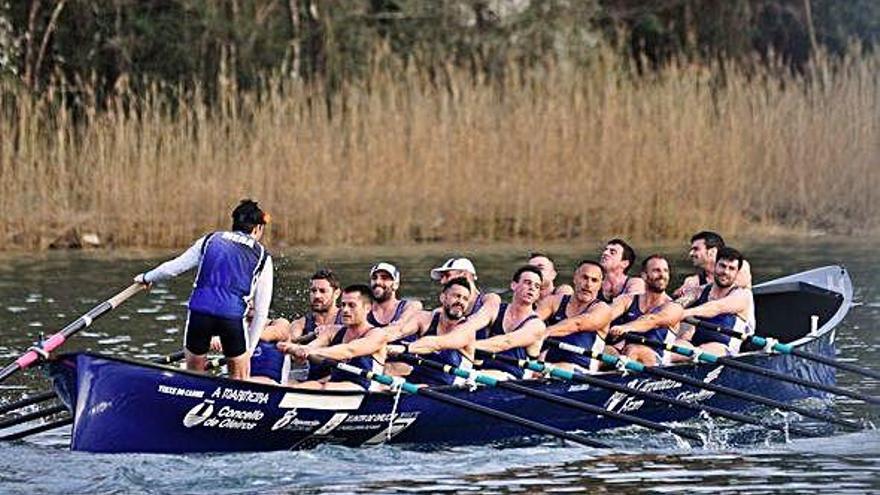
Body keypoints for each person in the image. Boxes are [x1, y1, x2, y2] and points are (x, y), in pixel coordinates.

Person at [134, 199, 272, 380]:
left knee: (193, 377)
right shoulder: (262, 256)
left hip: (199, 314)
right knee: (240, 379)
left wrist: (146, 277)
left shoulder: (210, 240)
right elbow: (261, 312)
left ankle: (191, 398)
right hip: (231, 317)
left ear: (234, 224)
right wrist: (249, 351)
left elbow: (173, 268)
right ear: (258, 228)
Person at [278, 285, 387, 391]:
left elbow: (349, 350)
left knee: (324, 387)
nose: (345, 310)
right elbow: (313, 346)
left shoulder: (377, 335)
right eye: (343, 305)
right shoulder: (333, 331)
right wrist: (294, 348)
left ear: (367, 308)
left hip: (364, 389)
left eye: (351, 305)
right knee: (296, 386)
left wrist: (311, 351)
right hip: (335, 385)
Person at [452, 266, 546, 380]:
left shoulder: (536, 326)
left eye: (537, 286)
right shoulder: (495, 309)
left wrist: (458, 344)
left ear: (538, 294)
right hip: (482, 372)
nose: (532, 288)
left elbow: (506, 342)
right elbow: (472, 323)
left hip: (513, 379)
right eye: (527, 283)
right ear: (514, 285)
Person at [249, 268, 342, 384]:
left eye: (323, 291)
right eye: (313, 291)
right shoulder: (301, 323)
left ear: (337, 293)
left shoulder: (346, 319)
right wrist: (310, 336)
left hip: (339, 377)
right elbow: (290, 341)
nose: (317, 295)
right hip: (313, 380)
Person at [385, 277, 476, 385]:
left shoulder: (467, 329)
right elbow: (398, 331)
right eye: (456, 296)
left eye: (465, 299)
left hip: (449, 389)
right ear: (443, 298)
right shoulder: (424, 318)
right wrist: (375, 341)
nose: (460, 302)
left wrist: (405, 348)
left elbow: (437, 344)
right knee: (385, 374)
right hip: (417, 383)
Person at [673, 246, 755, 359]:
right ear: (715, 266)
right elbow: (676, 305)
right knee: (669, 350)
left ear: (736, 273)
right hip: (694, 346)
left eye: (731, 269)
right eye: (722, 266)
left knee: (697, 352)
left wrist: (684, 313)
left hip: (724, 350)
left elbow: (716, 307)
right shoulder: (699, 291)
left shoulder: (742, 295)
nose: (725, 272)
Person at [607, 255, 683, 366]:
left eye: (665, 271)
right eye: (656, 271)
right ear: (644, 275)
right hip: (628, 354)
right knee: (607, 350)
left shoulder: (674, 307)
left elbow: (652, 320)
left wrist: (625, 328)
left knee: (634, 349)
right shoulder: (627, 300)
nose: (662, 275)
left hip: (657, 360)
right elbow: (606, 315)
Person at [537, 260, 612, 372]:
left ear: (600, 285)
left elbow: (578, 324)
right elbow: (531, 322)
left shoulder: (602, 309)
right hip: (544, 368)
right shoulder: (553, 302)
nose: (588, 284)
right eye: (584, 278)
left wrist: (546, 332)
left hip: (581, 372)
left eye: (594, 280)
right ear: (575, 278)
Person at [673, 231, 752, 297]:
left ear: (712, 252)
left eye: (696, 249)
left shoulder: (739, 266)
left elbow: (731, 285)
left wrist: (698, 290)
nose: (691, 253)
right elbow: (678, 296)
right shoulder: (693, 281)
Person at [429, 257, 501, 317]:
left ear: (464, 275)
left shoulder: (488, 301)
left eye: (447, 275)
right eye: (442, 277)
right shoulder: (440, 313)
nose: (442, 281)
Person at [367, 262, 422, 327]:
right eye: (374, 278)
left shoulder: (408, 307)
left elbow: (415, 306)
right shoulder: (363, 310)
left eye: (384, 278)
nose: (377, 282)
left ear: (395, 285)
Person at [598, 238, 645, 303]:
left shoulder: (635, 283)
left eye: (612, 252)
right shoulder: (595, 284)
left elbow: (632, 305)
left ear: (624, 263)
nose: (605, 253)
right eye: (605, 250)